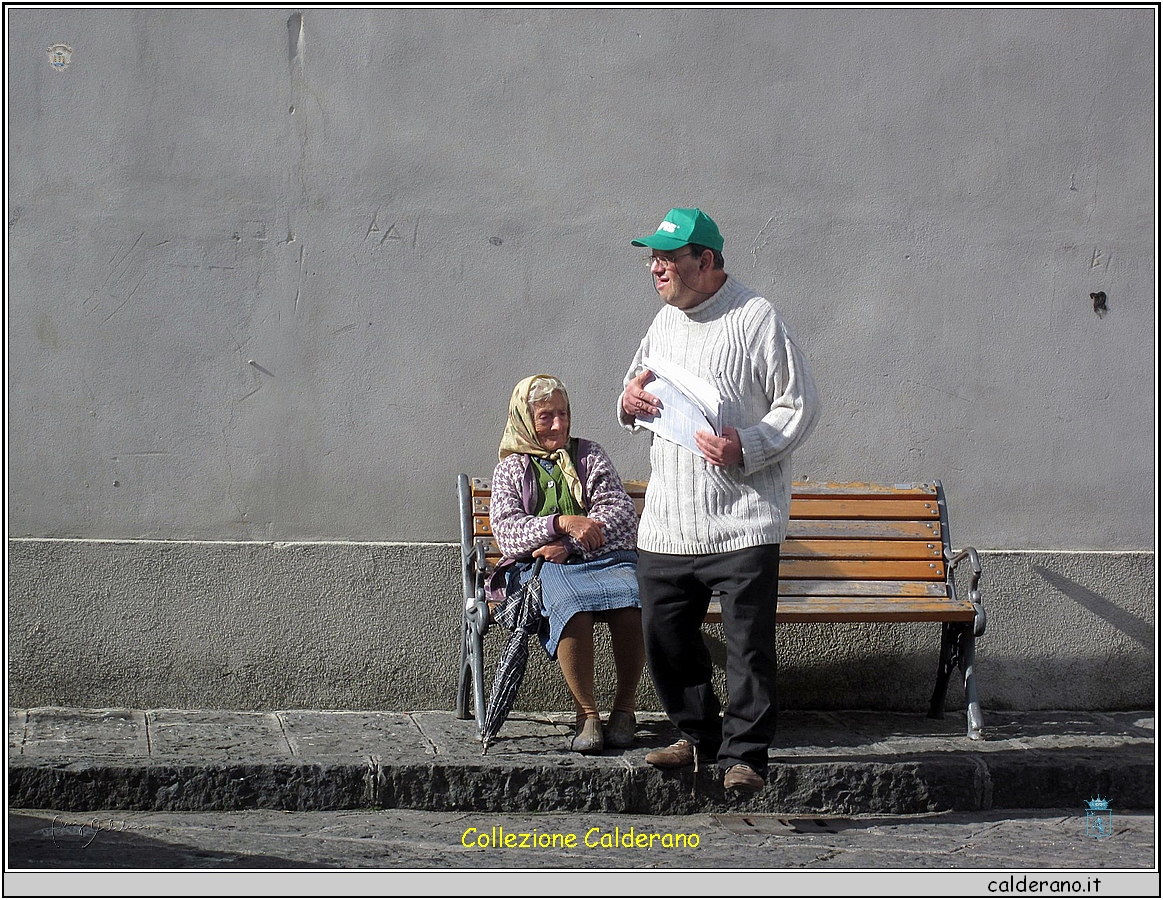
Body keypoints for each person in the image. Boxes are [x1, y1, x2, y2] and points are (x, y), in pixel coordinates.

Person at [619, 208, 820, 793]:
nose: (655, 267)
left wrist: (748, 445)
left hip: (743, 517)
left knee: (747, 646)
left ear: (705, 261)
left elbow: (800, 404)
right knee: (664, 632)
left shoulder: (757, 318)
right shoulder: (663, 323)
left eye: (667, 257)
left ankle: (745, 757)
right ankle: (694, 735)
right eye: (651, 258)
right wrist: (629, 403)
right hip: (670, 520)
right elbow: (636, 386)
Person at [489, 374, 645, 754]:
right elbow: (507, 531)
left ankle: (624, 710)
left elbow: (622, 514)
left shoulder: (589, 455)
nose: (558, 424)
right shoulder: (511, 470)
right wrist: (560, 523)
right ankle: (586, 714)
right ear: (525, 420)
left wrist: (569, 545)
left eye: (563, 414)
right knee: (569, 604)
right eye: (545, 417)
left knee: (636, 597)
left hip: (598, 559)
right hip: (538, 570)